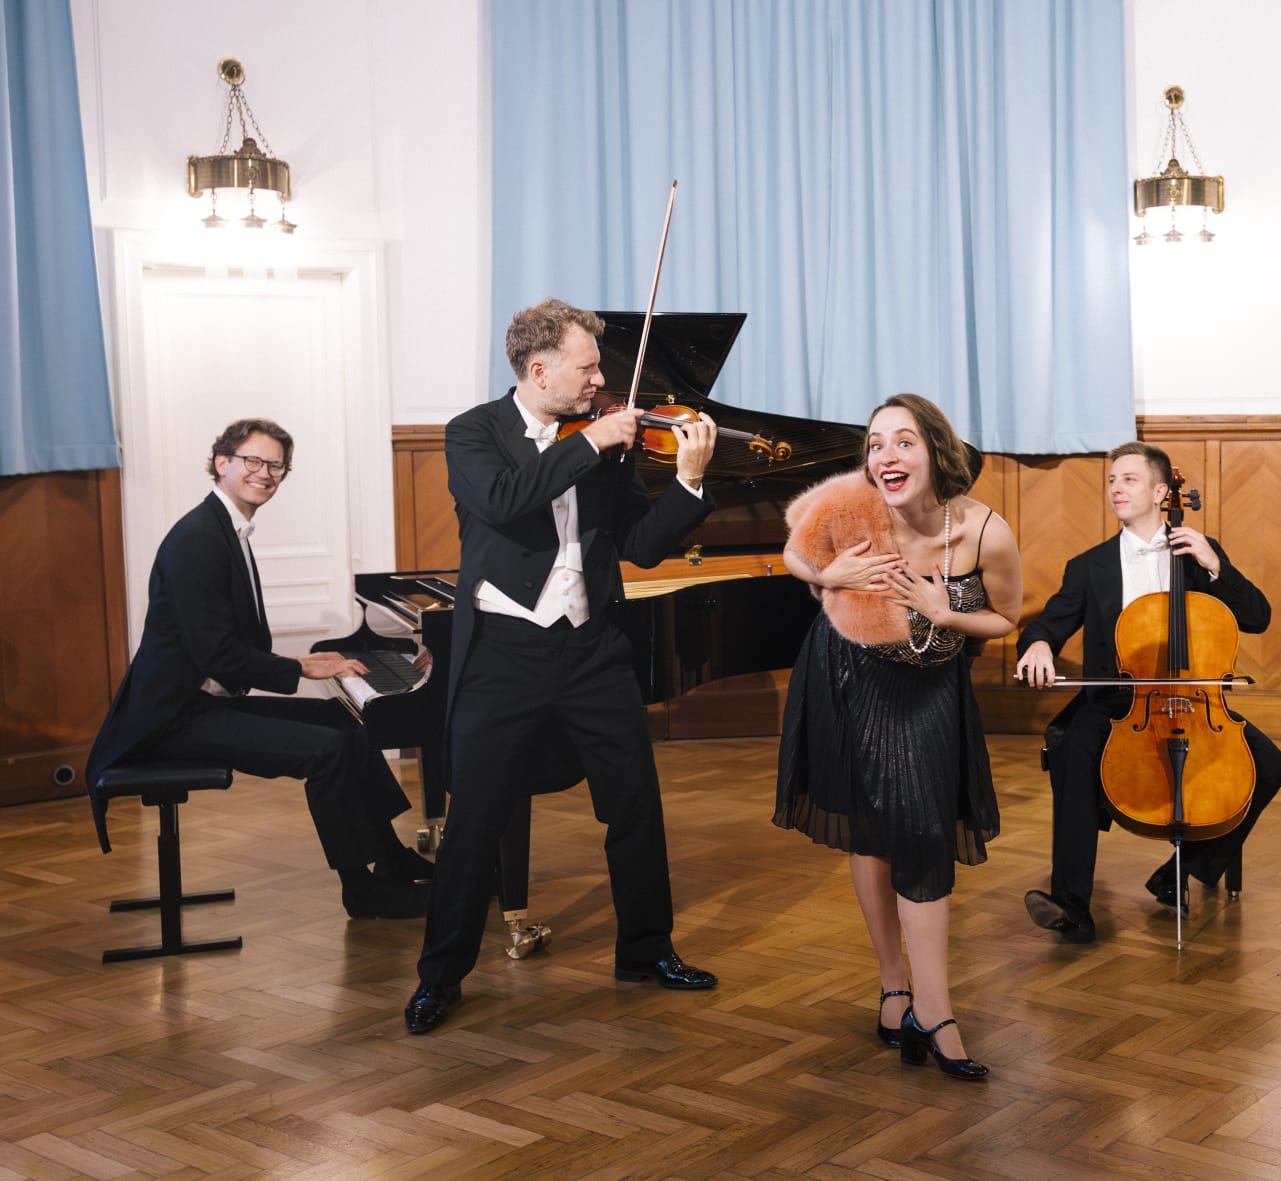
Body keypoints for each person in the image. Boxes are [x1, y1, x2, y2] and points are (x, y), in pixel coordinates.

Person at [403, 299, 722, 1035]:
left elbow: (640, 545)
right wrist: (592, 442)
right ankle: (440, 977)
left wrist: (690, 484)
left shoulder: (605, 438)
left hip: (591, 647)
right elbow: (504, 500)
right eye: (587, 367)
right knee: (474, 820)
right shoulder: (473, 433)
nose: (600, 380)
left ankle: (647, 950)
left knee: (634, 805)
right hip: (503, 654)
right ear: (538, 369)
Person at [87, 419, 433, 919]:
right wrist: (298, 670)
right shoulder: (199, 539)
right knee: (328, 752)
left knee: (344, 724)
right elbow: (215, 654)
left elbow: (226, 649)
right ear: (222, 462)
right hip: (170, 719)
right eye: (253, 460)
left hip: (200, 704)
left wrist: (300, 665)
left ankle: (393, 861)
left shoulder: (224, 529)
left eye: (276, 465)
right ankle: (362, 891)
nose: (265, 473)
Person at [774, 393, 1020, 1081]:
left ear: (935, 450)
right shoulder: (852, 505)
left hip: (931, 687)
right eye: (876, 443)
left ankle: (933, 1008)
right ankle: (898, 990)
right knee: (872, 830)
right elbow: (793, 550)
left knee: (924, 832)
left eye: (903, 441)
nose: (885, 455)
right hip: (845, 672)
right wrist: (829, 573)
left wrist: (948, 610)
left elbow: (1006, 616)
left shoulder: (983, 532)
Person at [1015, 441, 1281, 944]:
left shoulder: (1196, 553)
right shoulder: (1089, 565)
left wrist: (1215, 567)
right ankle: (1072, 903)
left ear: (1162, 491)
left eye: (1129, 479)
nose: (1116, 488)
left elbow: (1258, 617)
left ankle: (1181, 871)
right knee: (1073, 749)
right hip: (1119, 701)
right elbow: (1047, 625)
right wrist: (1036, 648)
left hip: (1196, 700)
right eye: (1112, 480)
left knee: (1271, 767)